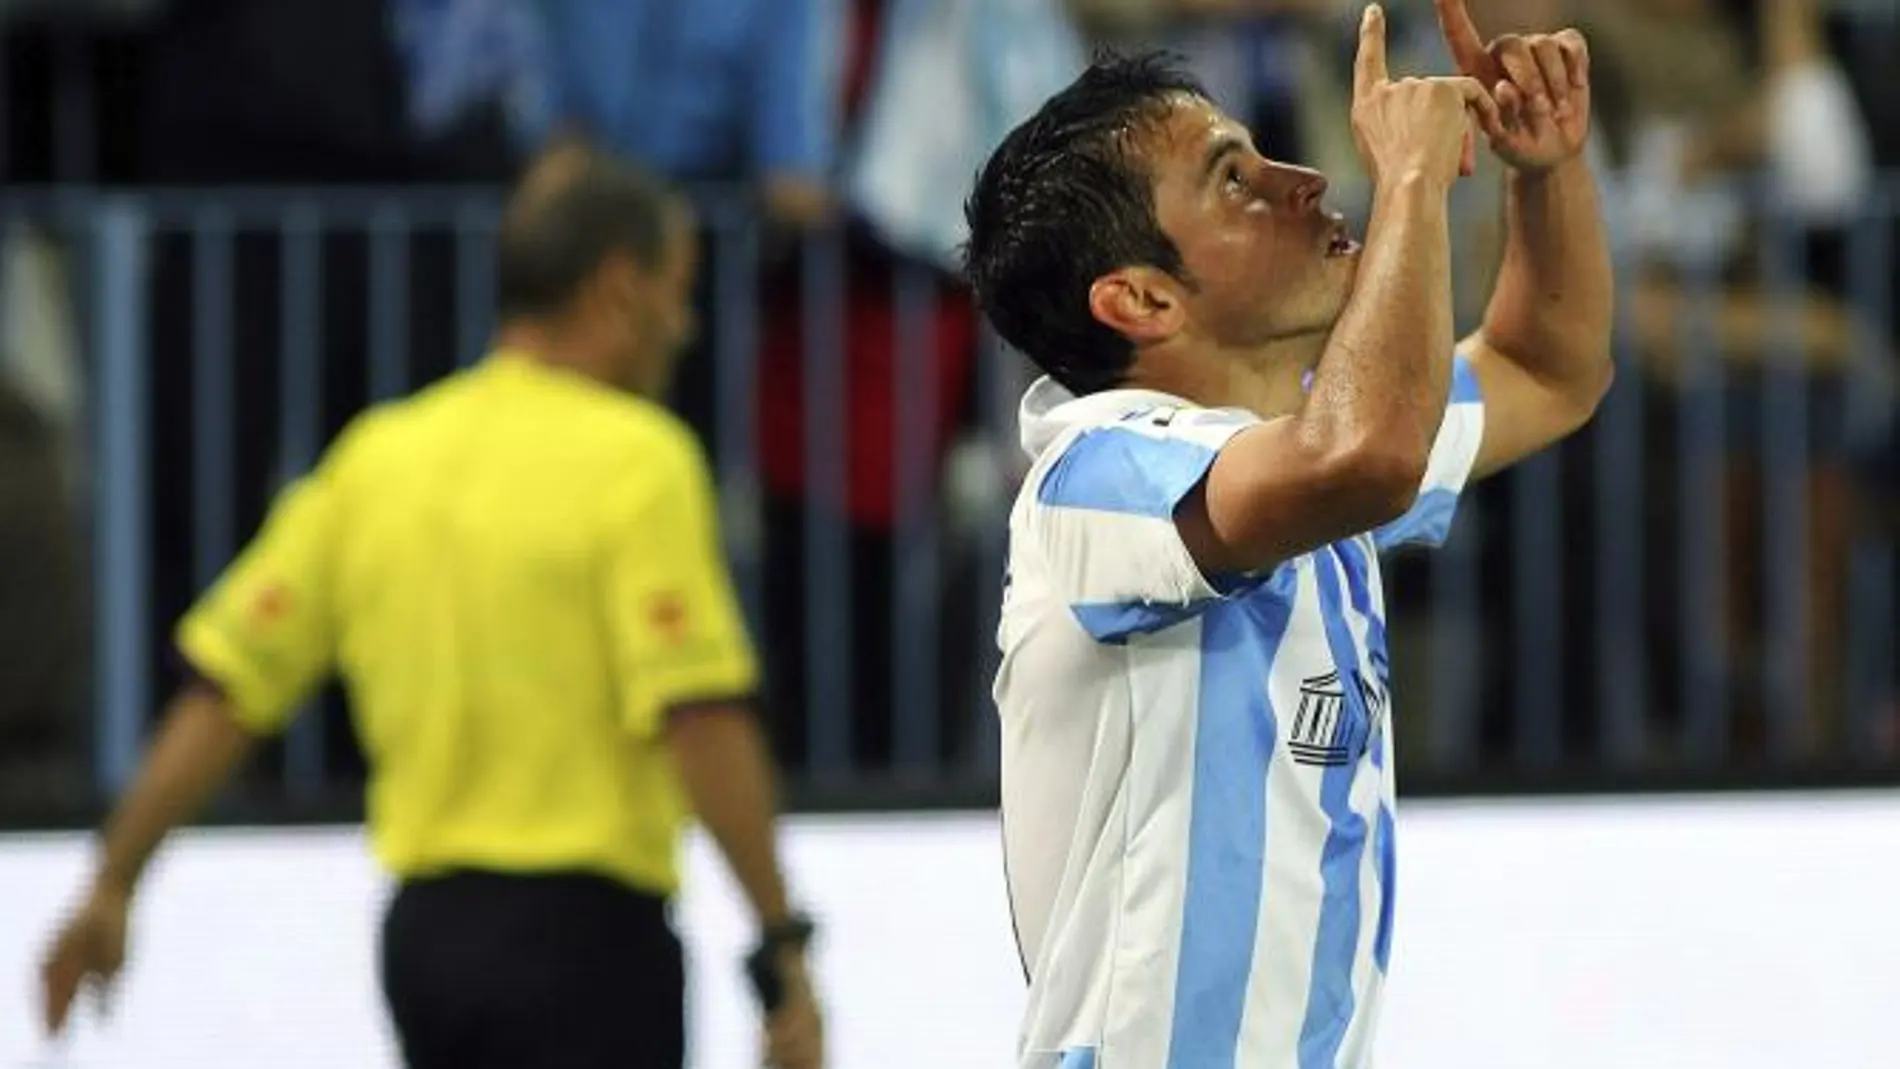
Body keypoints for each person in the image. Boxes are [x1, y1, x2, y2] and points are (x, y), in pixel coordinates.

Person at [38, 146, 824, 1069]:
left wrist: (113, 877)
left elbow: (227, 685)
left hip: (425, 946)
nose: (684, 326)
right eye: (676, 292)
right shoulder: (638, 461)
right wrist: (780, 941)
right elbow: (701, 716)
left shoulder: (379, 458)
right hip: (588, 942)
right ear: (618, 289)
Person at [967, 1, 1612, 1066]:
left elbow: (1550, 366)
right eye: (1233, 177)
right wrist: (1405, 181)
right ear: (1139, 297)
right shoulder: (1094, 474)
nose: (1301, 180)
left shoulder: (1313, 434)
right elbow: (1361, 456)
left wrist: (1539, 172)